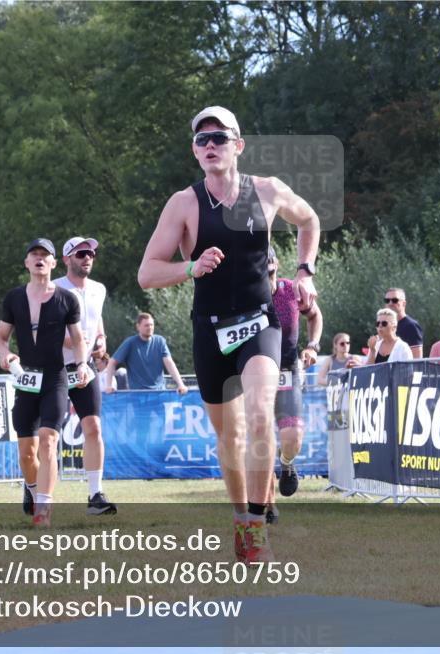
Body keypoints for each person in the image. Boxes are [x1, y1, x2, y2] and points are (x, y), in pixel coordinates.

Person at [137, 105, 320, 562]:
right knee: (230, 436)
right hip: (210, 329)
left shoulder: (268, 190)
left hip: (260, 321)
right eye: (202, 140)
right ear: (195, 151)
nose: (210, 145)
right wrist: (190, 267)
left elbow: (309, 220)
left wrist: (305, 271)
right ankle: (242, 519)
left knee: (259, 416)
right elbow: (147, 273)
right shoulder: (184, 203)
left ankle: (257, 528)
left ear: (238, 145)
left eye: (219, 137)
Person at [0, 238, 88, 528]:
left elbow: (78, 340)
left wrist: (82, 364)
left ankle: (44, 509)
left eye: (45, 255)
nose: (39, 258)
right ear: (26, 263)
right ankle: (34, 493)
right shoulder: (13, 298)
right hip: (26, 379)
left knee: (48, 440)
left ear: (53, 263)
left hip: (55, 378)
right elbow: (0, 339)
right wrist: (5, 355)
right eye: (34, 254)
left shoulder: (67, 299)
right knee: (27, 454)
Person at [54, 236, 116, 515]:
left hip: (84, 368)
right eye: (80, 254)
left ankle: (95, 495)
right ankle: (35, 490)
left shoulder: (99, 289)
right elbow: (43, 329)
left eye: (91, 254)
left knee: (94, 428)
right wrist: (75, 343)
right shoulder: (54, 288)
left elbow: (97, 319)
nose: (87, 258)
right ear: (67, 259)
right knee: (48, 435)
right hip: (54, 367)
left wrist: (101, 341)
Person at [265, 247, 322, 507]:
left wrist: (312, 346)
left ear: (276, 264)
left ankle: (287, 462)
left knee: (292, 437)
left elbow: (315, 316)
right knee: (258, 437)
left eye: (270, 269)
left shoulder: (290, 290)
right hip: (254, 373)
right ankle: (265, 503)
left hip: (287, 369)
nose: (267, 277)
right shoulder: (244, 295)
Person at [104, 313, 188, 394]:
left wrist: (180, 384)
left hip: (159, 392)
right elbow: (112, 362)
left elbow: (169, 363)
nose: (150, 327)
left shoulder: (160, 341)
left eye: (152, 325)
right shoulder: (130, 343)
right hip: (138, 394)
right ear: (138, 327)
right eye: (146, 325)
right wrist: (109, 385)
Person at [384, 287, 424, 358]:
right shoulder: (383, 325)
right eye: (387, 300)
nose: (390, 303)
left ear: (404, 303)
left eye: (394, 300)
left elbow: (417, 359)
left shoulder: (411, 326)